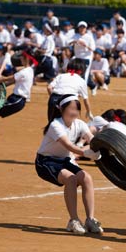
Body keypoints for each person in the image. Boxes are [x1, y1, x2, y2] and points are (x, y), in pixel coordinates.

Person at [35, 94, 103, 235]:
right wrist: (86, 154)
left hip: (65, 160)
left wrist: (100, 150)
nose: (74, 112)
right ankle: (73, 220)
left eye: (76, 109)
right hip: (46, 161)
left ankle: (90, 220)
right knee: (71, 179)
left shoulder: (80, 124)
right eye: (71, 108)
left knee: (87, 178)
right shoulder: (55, 125)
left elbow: (93, 140)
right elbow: (69, 145)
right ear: (61, 109)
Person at [0, 51, 36, 142]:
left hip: (17, 100)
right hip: (15, 99)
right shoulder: (30, 70)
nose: (20, 60)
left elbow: (7, 78)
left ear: (26, 59)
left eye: (22, 58)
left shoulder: (24, 72)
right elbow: (13, 81)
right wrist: (0, 87)